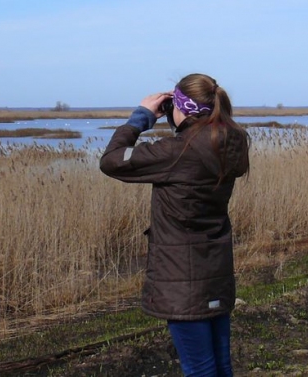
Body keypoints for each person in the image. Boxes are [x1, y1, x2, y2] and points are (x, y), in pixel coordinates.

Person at [100, 73, 250, 377]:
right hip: (216, 271)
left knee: (199, 369)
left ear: (182, 108)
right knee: (220, 364)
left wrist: (141, 118)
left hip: (182, 278)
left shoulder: (176, 152)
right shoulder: (229, 143)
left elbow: (112, 160)